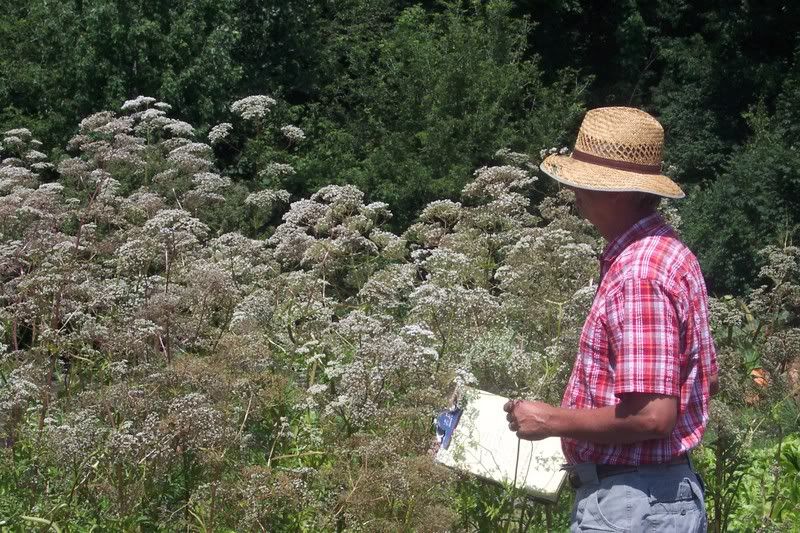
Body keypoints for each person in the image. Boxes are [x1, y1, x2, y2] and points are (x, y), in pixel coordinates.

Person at [503, 107, 719, 532]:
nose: (573, 192)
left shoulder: (639, 273)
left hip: (631, 508)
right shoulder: (669, 253)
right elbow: (707, 378)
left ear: (619, 192)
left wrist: (551, 420)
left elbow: (654, 416)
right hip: (646, 501)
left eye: (582, 181)